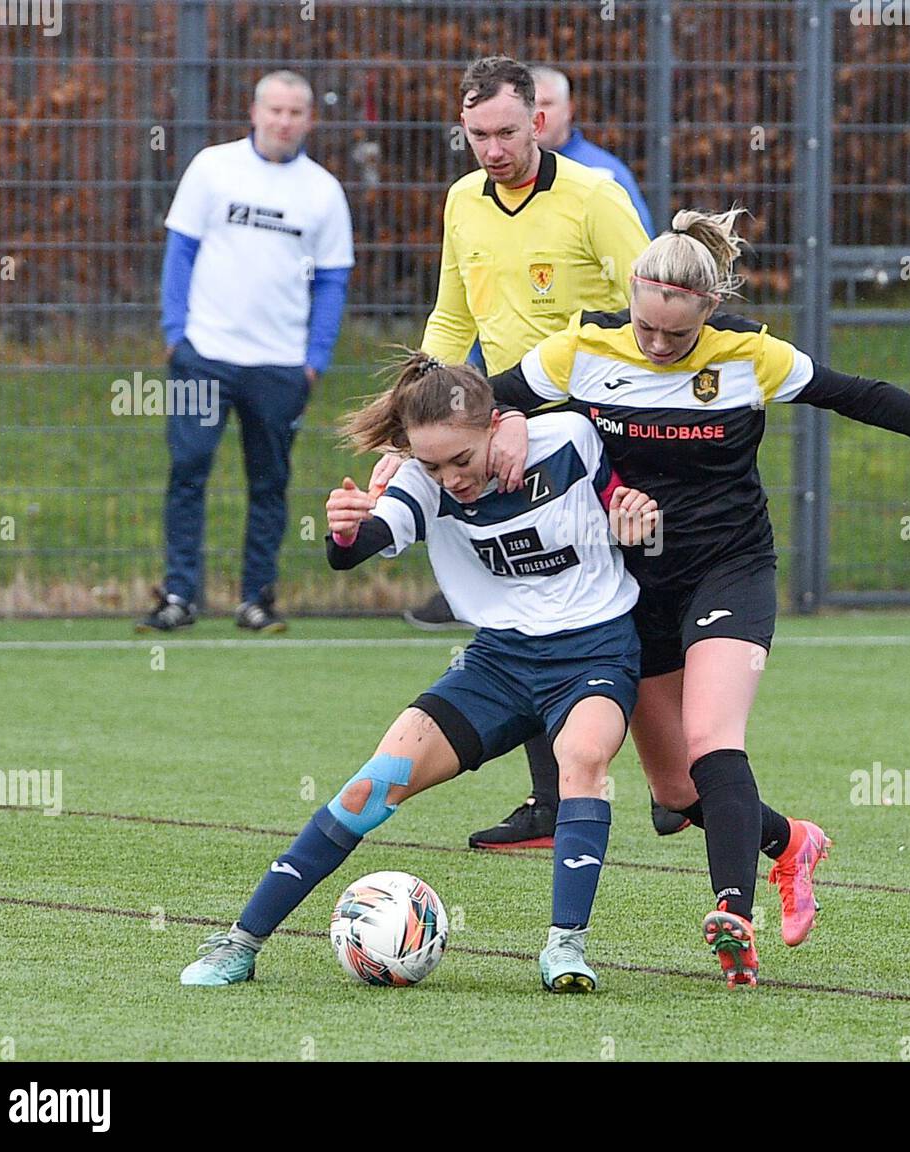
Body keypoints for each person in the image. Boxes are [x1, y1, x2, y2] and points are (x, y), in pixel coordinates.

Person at [483, 207, 910, 985]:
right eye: (647, 330)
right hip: (629, 581)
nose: (658, 347)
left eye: (677, 334)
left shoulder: (750, 357)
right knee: (674, 795)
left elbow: (864, 395)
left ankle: (733, 910)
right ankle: (791, 843)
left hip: (730, 569)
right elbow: (469, 402)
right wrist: (506, 419)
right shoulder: (580, 349)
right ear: (630, 295)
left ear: (708, 310)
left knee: (713, 743)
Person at [179, 354, 659, 993]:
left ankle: (565, 949)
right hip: (497, 664)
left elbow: (624, 502)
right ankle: (239, 945)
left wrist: (635, 519)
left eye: (461, 460)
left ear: (495, 425)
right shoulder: (421, 480)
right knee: (370, 788)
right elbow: (362, 545)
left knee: (582, 760)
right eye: (432, 464)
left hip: (595, 651)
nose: (450, 478)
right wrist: (346, 530)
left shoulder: (566, 440)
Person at [396, 56, 686, 847]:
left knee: (640, 585)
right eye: (477, 135)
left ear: (540, 123)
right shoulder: (462, 201)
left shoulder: (594, 196)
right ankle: (553, 802)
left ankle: (676, 780)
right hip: (504, 422)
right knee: (526, 591)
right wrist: (414, 415)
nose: (492, 149)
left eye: (507, 132)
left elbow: (645, 306)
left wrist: (523, 405)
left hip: (598, 420)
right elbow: (454, 320)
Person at [139, 70, 354, 634]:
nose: (284, 121)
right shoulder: (212, 168)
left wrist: (315, 360)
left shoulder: (323, 192)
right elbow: (180, 252)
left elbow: (332, 281)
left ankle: (256, 600)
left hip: (281, 366)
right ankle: (179, 595)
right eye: (275, 110)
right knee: (187, 471)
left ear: (310, 119)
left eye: (295, 112)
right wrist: (175, 332)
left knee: (269, 483)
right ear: (254, 112)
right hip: (203, 355)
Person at [532, 65, 655, 237]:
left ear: (569, 109)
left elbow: (639, 241)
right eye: (531, 104)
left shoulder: (604, 172)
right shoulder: (506, 168)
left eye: (547, 104)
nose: (537, 113)